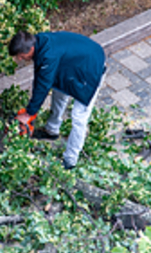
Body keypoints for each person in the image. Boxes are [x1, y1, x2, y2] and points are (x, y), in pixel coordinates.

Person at [9, 31, 107, 170]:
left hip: (90, 69)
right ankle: (52, 130)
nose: (20, 59)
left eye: (21, 56)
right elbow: (40, 78)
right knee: (59, 91)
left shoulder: (48, 55)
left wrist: (29, 112)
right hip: (74, 65)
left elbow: (43, 85)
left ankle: (70, 160)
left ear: (31, 48)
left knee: (78, 117)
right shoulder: (39, 42)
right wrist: (31, 109)